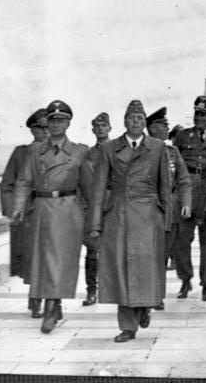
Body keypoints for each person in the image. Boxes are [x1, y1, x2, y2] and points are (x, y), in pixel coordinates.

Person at [89, 99, 171, 342]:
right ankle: (127, 325)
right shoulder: (109, 149)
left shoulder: (157, 148)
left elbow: (165, 186)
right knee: (123, 269)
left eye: (140, 118)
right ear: (124, 122)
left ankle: (145, 306)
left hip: (148, 217)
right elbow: (98, 188)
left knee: (145, 268)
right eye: (131, 118)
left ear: (145, 122)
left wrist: (167, 219)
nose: (136, 122)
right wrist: (95, 223)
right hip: (120, 216)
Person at [12, 100, 92, 334]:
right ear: (47, 122)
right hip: (41, 209)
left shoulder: (80, 152)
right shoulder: (34, 151)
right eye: (52, 120)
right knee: (43, 261)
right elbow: (24, 180)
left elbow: (89, 187)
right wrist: (18, 206)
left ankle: (51, 307)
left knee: (60, 262)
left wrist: (94, 218)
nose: (56, 124)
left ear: (68, 123)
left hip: (68, 211)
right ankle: (52, 303)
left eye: (61, 120)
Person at [174, 95, 206, 300]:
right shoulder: (183, 136)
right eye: (196, 113)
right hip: (187, 189)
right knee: (182, 239)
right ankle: (185, 280)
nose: (198, 117)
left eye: (203, 114)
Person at [0, 108, 49, 318]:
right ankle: (36, 298)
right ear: (32, 130)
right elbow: (7, 185)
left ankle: (49, 299)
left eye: (48, 127)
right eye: (41, 128)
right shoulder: (21, 153)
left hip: (50, 213)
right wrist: (13, 211)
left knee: (50, 258)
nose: (46, 132)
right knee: (33, 259)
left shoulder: (56, 152)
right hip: (27, 215)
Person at [146, 107, 192, 309]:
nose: (167, 128)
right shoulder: (143, 151)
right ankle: (153, 293)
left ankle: (168, 289)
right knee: (154, 254)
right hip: (148, 211)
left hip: (170, 211)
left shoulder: (172, 152)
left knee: (171, 250)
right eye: (163, 124)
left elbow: (183, 179)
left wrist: (187, 202)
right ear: (152, 128)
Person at [81, 112, 112, 306]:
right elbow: (85, 182)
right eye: (97, 127)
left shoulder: (118, 150)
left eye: (104, 126)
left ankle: (112, 289)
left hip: (114, 206)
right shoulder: (88, 155)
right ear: (93, 130)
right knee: (92, 251)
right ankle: (91, 290)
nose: (100, 129)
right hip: (94, 207)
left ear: (110, 128)